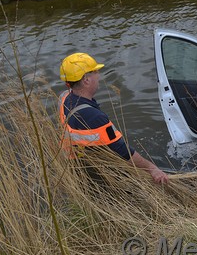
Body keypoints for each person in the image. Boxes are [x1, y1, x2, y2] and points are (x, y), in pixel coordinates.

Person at [58, 52, 169, 185]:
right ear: (86, 80)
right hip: (91, 170)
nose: (98, 76)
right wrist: (152, 169)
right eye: (95, 72)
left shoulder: (64, 97)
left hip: (74, 161)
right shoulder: (93, 116)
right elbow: (123, 151)